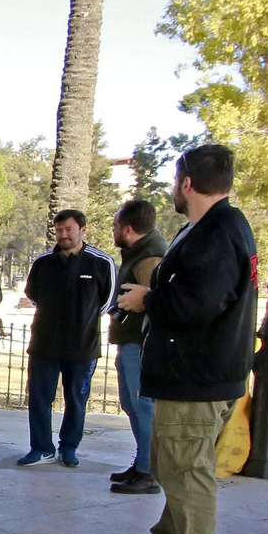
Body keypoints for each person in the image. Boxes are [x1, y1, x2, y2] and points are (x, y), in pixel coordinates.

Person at [109, 144, 257, 534]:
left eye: (176, 181)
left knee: (187, 469)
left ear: (187, 183)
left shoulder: (217, 233)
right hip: (197, 371)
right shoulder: (211, 227)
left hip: (198, 375)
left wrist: (146, 300)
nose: (175, 189)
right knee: (176, 465)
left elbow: (200, 303)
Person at [17, 209, 116, 467]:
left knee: (76, 400)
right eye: (59, 230)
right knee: (39, 398)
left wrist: (82, 319)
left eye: (69, 229)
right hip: (44, 346)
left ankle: (69, 448)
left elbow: (107, 302)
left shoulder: (101, 262)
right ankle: (41, 448)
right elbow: (34, 294)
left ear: (82, 229)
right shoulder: (42, 263)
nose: (63, 235)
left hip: (82, 348)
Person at [108, 200, 168, 495]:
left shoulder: (149, 258)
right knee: (133, 405)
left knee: (143, 406)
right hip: (130, 340)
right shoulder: (139, 252)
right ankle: (141, 463)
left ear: (128, 229)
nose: (114, 230)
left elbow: (155, 299)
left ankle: (147, 471)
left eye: (116, 226)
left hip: (140, 342)